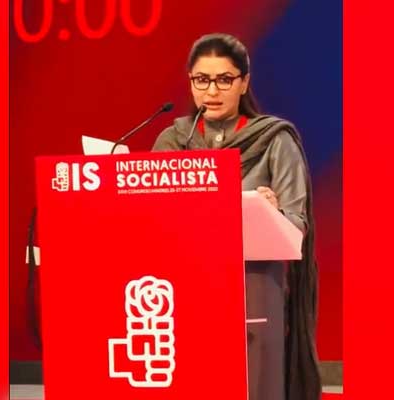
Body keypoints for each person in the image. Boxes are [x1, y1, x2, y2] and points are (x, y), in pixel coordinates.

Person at [152, 33, 321, 400]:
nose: (212, 90)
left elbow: (297, 224)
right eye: (202, 79)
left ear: (244, 82)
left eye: (224, 79)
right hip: (183, 291)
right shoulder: (172, 141)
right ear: (191, 81)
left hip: (254, 293)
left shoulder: (275, 140)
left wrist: (270, 214)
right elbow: (154, 219)